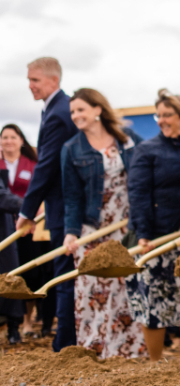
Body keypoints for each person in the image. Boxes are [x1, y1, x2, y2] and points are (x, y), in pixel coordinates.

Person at [127, 89, 180, 362]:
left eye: (168, 115)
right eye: (159, 115)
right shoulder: (147, 150)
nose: (161, 120)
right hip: (154, 237)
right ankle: (155, 362)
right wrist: (143, 234)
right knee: (155, 300)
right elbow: (138, 194)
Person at [61, 88, 145, 358]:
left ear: (98, 109)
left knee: (125, 290)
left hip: (126, 230)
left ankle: (128, 353)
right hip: (92, 230)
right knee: (92, 291)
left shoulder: (127, 139)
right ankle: (94, 351)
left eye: (81, 109)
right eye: (73, 111)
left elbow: (146, 172)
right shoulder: (72, 149)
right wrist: (70, 234)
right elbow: (72, 198)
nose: (76, 116)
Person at [16, 57, 79, 351]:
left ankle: (65, 342)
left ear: (54, 80)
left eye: (35, 80)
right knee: (65, 274)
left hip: (64, 206)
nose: (30, 85)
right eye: (29, 80)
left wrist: (27, 211)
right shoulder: (55, 108)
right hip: (61, 205)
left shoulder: (58, 113)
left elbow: (46, 167)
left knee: (64, 275)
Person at [0, 124, 34, 344]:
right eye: (4, 138)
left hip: (6, 228)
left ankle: (14, 327)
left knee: (10, 275)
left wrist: (29, 208)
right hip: (13, 218)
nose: (8, 141)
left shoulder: (30, 164)